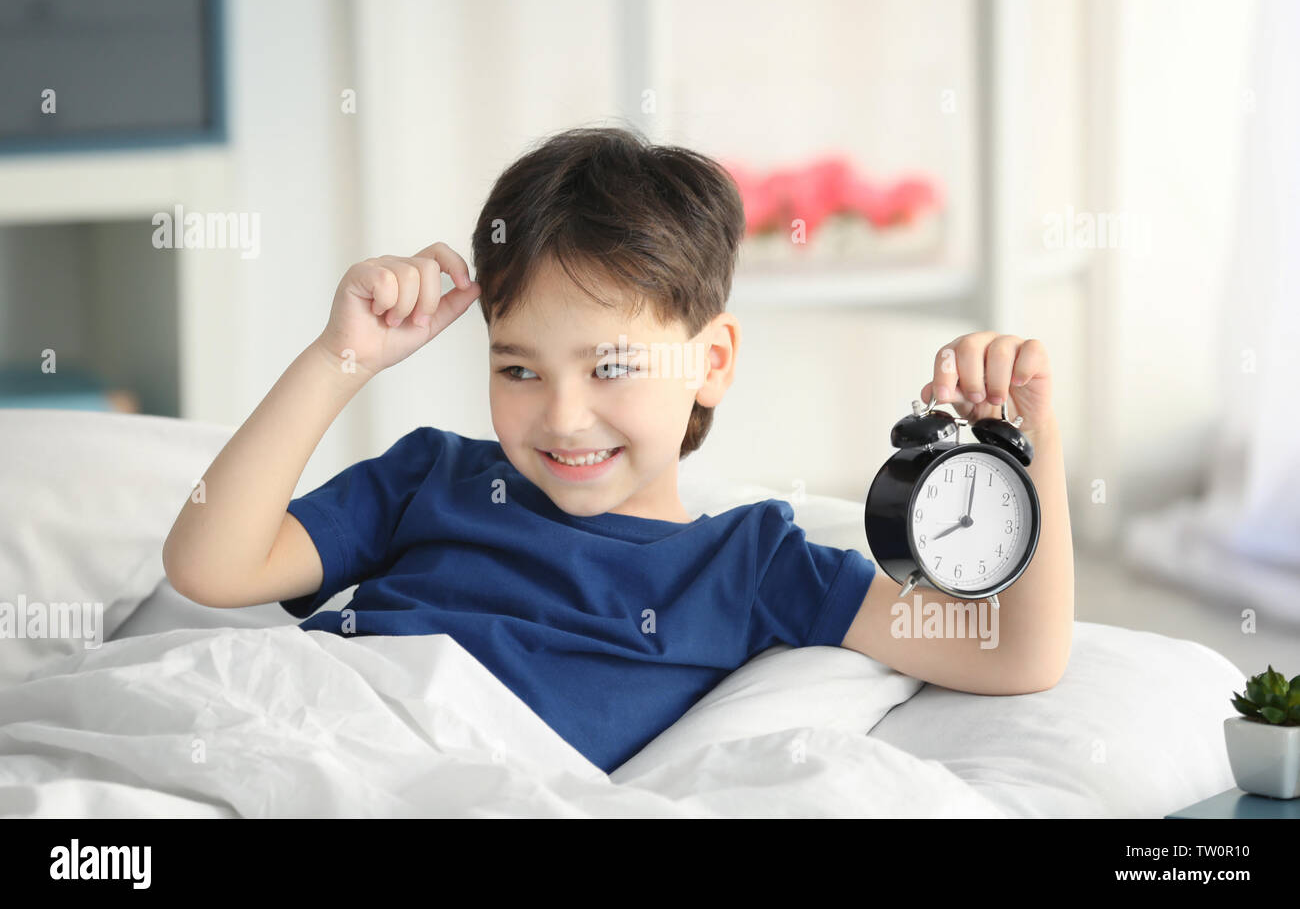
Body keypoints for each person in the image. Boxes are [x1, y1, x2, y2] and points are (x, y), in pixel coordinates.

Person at [163, 125, 1073, 775]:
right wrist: (339, 359)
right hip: (294, 723)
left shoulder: (752, 565)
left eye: (609, 367)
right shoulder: (432, 477)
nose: (561, 416)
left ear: (710, 362)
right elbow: (211, 563)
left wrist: (1027, 439)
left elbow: (1016, 656)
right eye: (517, 369)